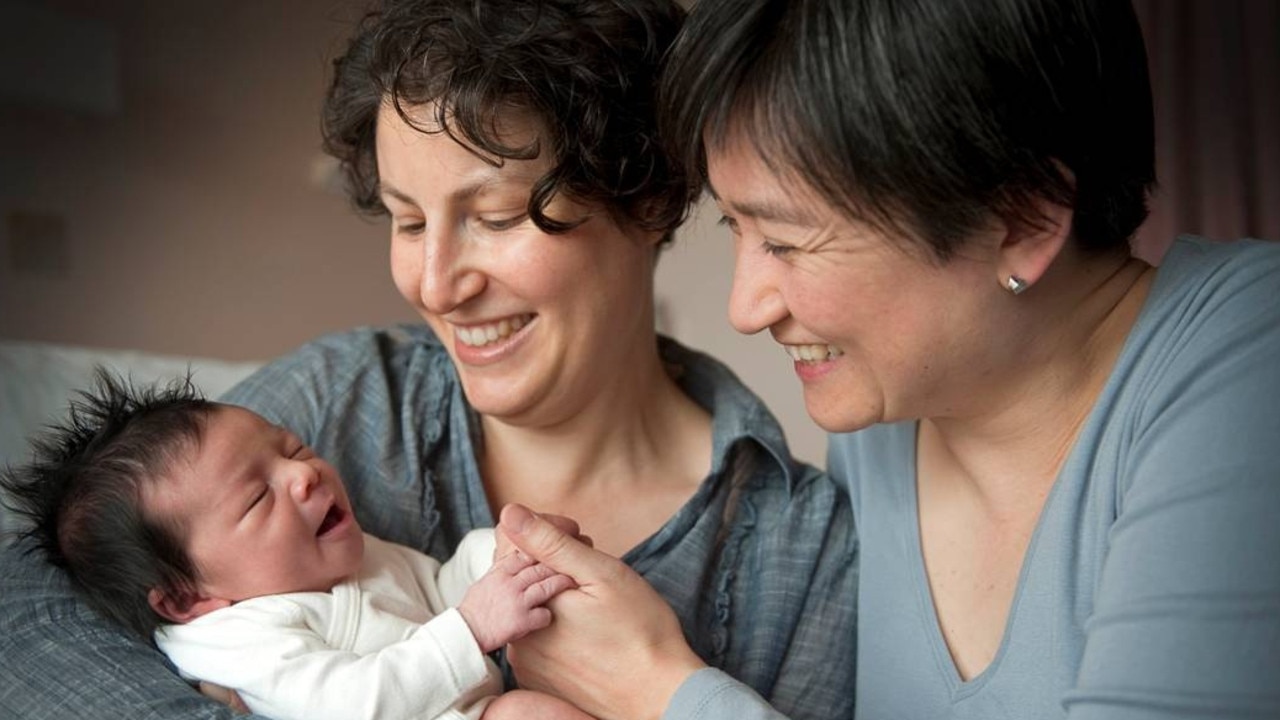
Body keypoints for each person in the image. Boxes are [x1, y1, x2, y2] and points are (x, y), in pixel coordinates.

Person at [0, 1, 857, 718]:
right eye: (409, 222)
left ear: (652, 197)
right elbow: (29, 604)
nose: (437, 285)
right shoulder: (348, 392)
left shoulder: (796, 547)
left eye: (493, 214)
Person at [494, 0, 1280, 719]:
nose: (747, 308)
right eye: (737, 228)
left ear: (1023, 217)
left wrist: (656, 688)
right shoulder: (880, 428)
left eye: (787, 241)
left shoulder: (1249, 360)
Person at [1, 371, 588, 720]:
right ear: (186, 598)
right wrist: (473, 627)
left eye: (294, 450)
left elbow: (435, 590)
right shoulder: (237, 639)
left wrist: (500, 558)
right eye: (258, 500)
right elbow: (348, 706)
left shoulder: (338, 553)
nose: (303, 477)